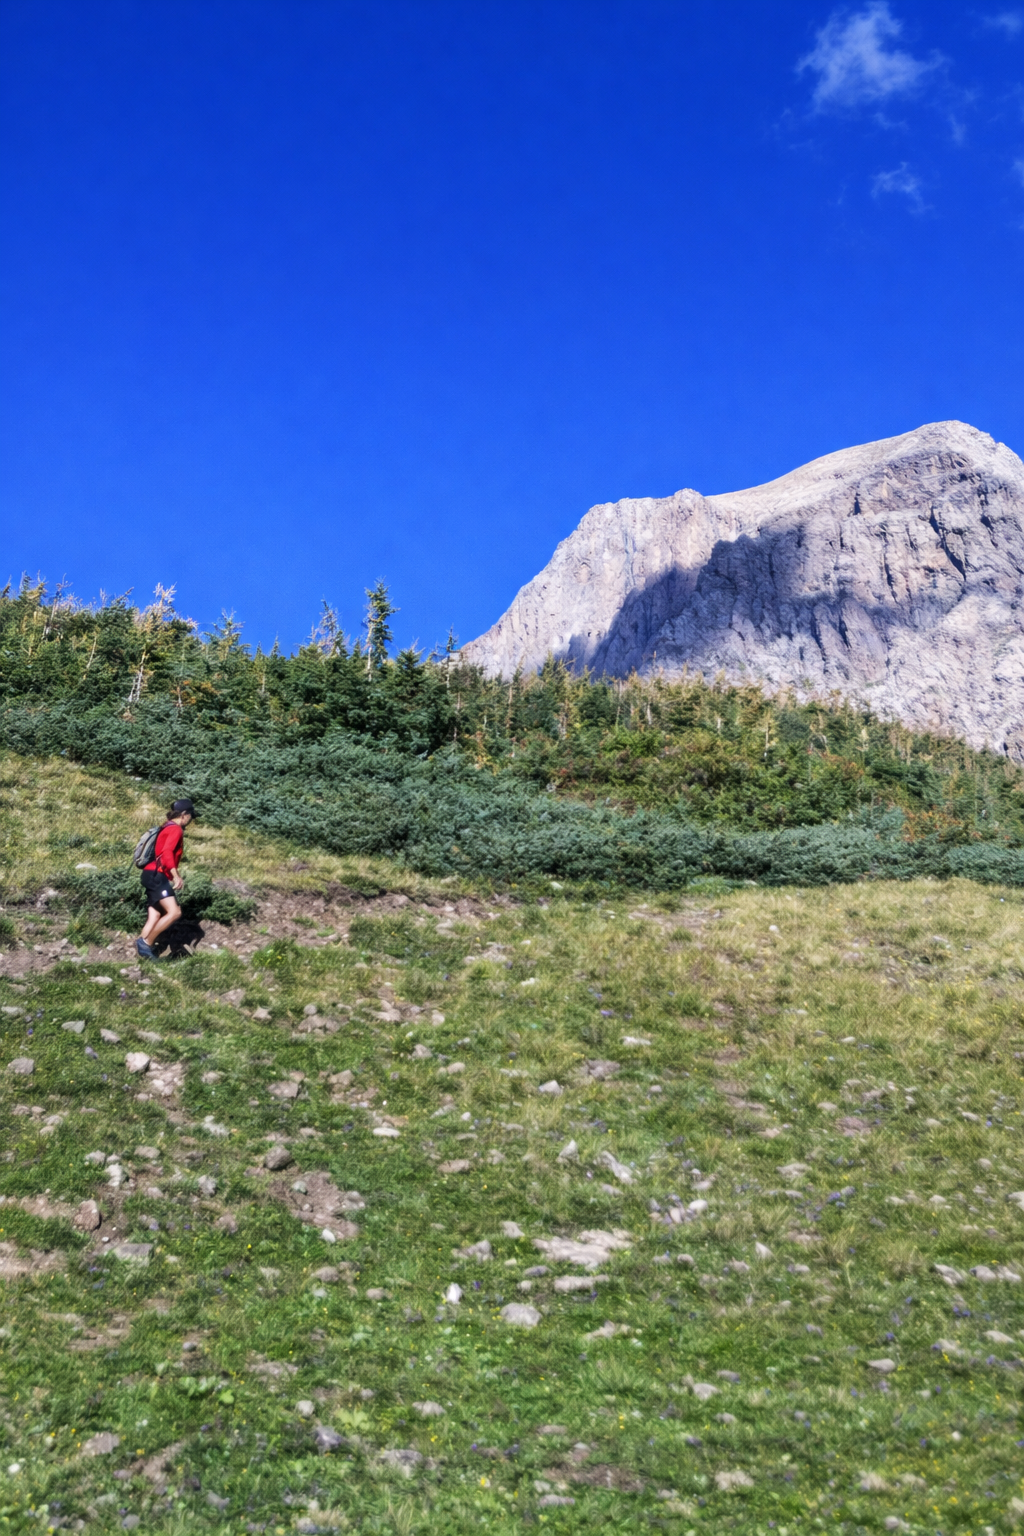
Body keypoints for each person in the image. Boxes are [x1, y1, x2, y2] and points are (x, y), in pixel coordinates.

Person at [136, 798, 196, 960]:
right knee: (175, 912)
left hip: (149, 874)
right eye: (190, 815)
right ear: (184, 814)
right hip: (157, 875)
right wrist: (176, 875)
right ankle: (146, 942)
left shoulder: (165, 826)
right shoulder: (176, 829)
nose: (191, 819)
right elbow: (167, 852)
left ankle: (144, 958)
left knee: (154, 915)